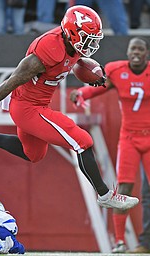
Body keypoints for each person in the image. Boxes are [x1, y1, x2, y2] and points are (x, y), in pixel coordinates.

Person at [0, 5, 139, 213]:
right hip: (28, 108)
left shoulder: (72, 44)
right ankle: (105, 195)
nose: (92, 44)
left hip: (37, 104)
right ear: (72, 33)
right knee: (82, 141)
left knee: (33, 154)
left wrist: (93, 74)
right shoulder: (47, 49)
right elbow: (12, 80)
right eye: (88, 38)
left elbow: (75, 62)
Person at [69, 37, 150, 253]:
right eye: (133, 48)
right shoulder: (116, 70)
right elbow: (99, 87)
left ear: (147, 53)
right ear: (128, 50)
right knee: (123, 186)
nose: (136, 52)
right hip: (129, 137)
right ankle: (120, 241)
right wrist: (81, 93)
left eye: (141, 49)